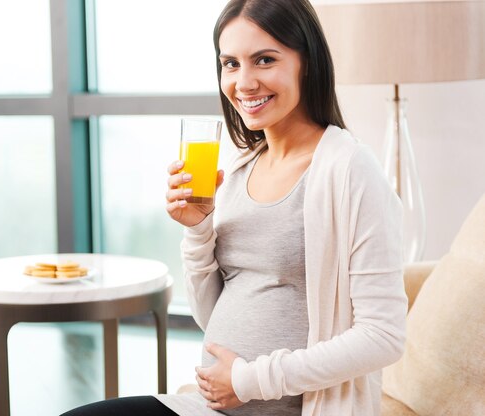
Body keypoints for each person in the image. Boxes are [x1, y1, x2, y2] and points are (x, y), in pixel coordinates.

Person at [62, 0, 407, 415]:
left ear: (308, 63)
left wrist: (249, 380)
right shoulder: (242, 167)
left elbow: (383, 335)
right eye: (230, 63)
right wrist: (198, 229)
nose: (244, 82)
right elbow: (210, 314)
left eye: (264, 60)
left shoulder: (349, 169)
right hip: (207, 407)